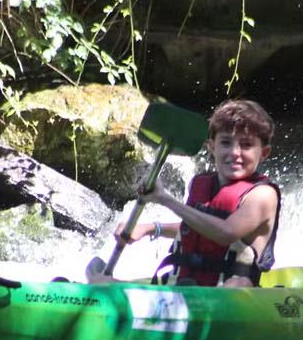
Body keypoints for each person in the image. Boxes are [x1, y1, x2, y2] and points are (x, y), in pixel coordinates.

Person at [116, 98, 280, 287]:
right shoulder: (201, 184)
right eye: (226, 143)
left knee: (238, 284)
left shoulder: (263, 195)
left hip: (230, 292)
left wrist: (165, 199)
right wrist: (150, 228)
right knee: (102, 282)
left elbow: (226, 233)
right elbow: (196, 228)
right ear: (212, 147)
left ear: (264, 152)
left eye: (246, 145)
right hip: (186, 284)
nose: (235, 152)